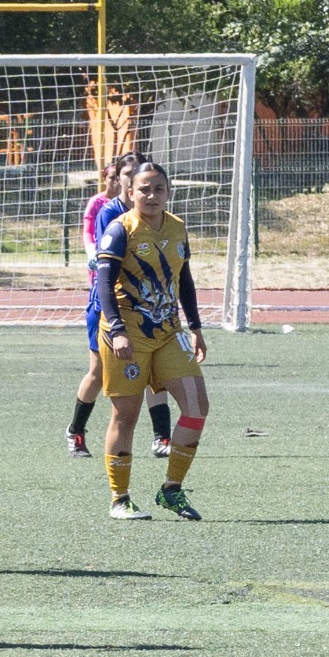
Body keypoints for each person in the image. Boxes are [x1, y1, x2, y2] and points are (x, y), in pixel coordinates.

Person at [90, 160, 212, 521]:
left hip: (169, 332)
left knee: (196, 407)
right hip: (127, 335)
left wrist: (196, 326)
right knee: (125, 416)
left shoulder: (177, 228)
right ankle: (120, 498)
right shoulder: (119, 230)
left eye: (159, 188)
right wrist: (116, 329)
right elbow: (103, 285)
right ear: (130, 193)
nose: (151, 195)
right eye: (144, 188)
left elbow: (184, 279)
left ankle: (171, 489)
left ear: (168, 192)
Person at [66, 154, 173, 460]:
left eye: (135, 173)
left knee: (156, 371)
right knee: (98, 373)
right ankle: (75, 430)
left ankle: (161, 437)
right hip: (108, 307)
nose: (130, 179)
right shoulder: (111, 213)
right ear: (122, 181)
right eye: (125, 174)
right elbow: (111, 265)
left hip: (148, 310)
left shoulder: (159, 216)